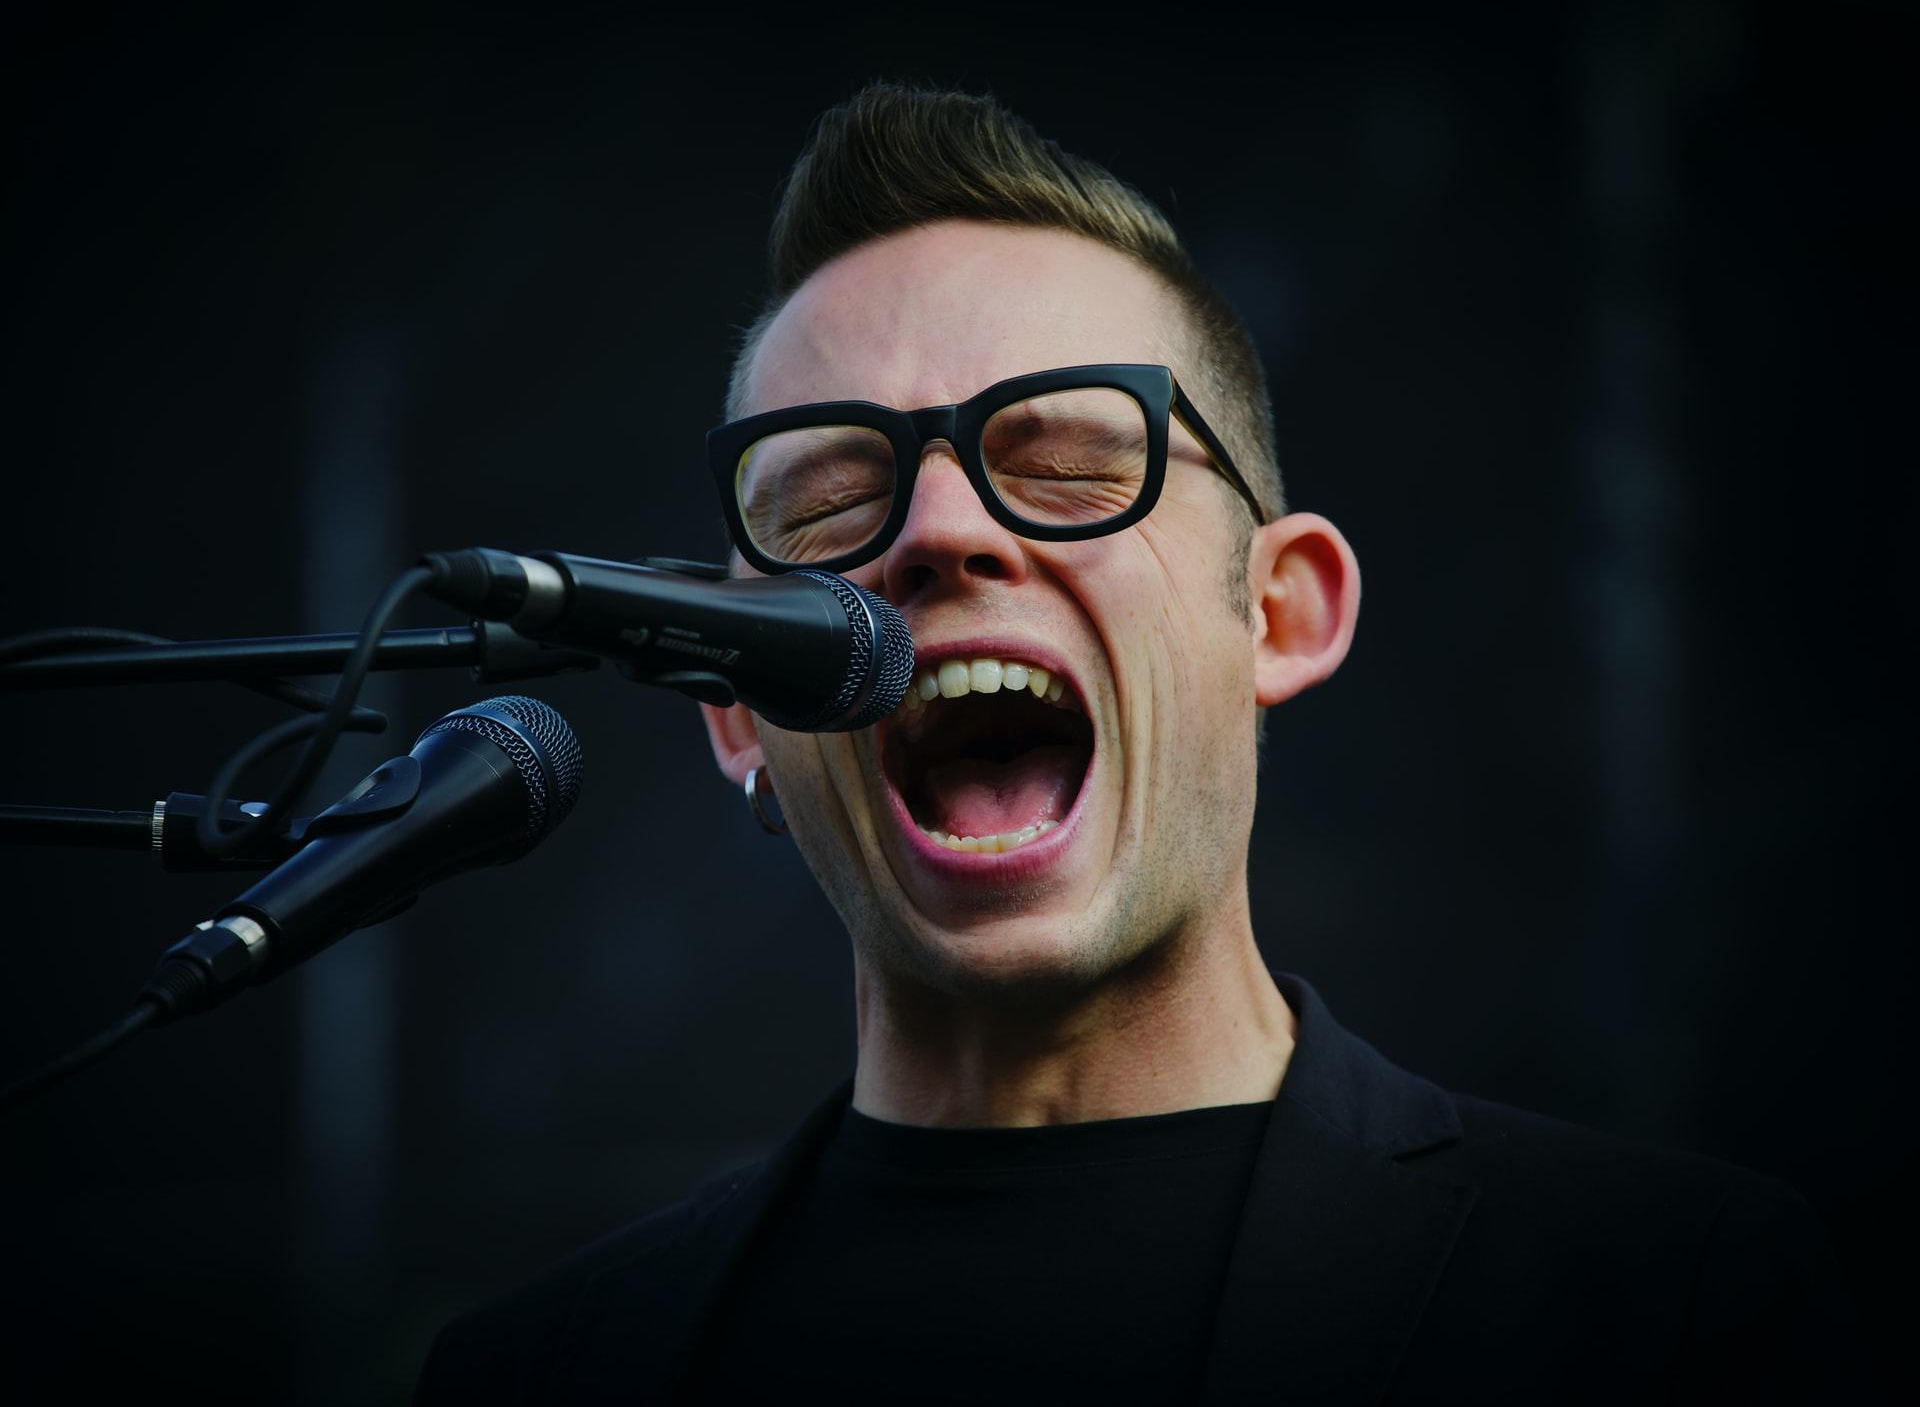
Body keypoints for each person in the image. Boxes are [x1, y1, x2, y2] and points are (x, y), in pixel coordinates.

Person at [417, 83, 1867, 1404]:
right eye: (829, 506)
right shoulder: (542, 1379)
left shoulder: (1668, 1305)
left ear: (1281, 615)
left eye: (1065, 467)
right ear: (737, 713)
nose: (939, 531)